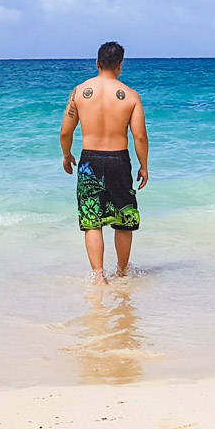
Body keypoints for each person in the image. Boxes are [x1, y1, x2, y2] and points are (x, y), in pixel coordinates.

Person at [60, 41, 149, 281]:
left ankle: (99, 276)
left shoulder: (79, 92)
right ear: (121, 65)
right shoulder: (130, 96)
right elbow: (139, 135)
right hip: (119, 160)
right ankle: (121, 273)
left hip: (89, 161)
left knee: (92, 220)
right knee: (124, 219)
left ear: (97, 63)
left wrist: (67, 155)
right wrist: (144, 166)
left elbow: (65, 132)